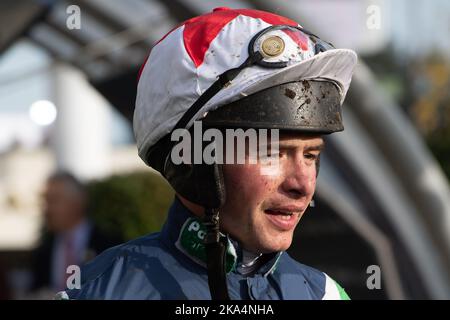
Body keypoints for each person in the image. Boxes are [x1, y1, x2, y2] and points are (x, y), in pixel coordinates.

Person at [61, 7, 357, 300]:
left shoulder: (326, 295)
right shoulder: (99, 293)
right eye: (272, 153)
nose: (303, 185)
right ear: (191, 160)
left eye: (310, 155)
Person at [30, 171, 120, 295]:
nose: (47, 209)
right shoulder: (44, 249)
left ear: (78, 202)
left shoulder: (109, 244)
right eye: (45, 200)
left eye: (54, 200)